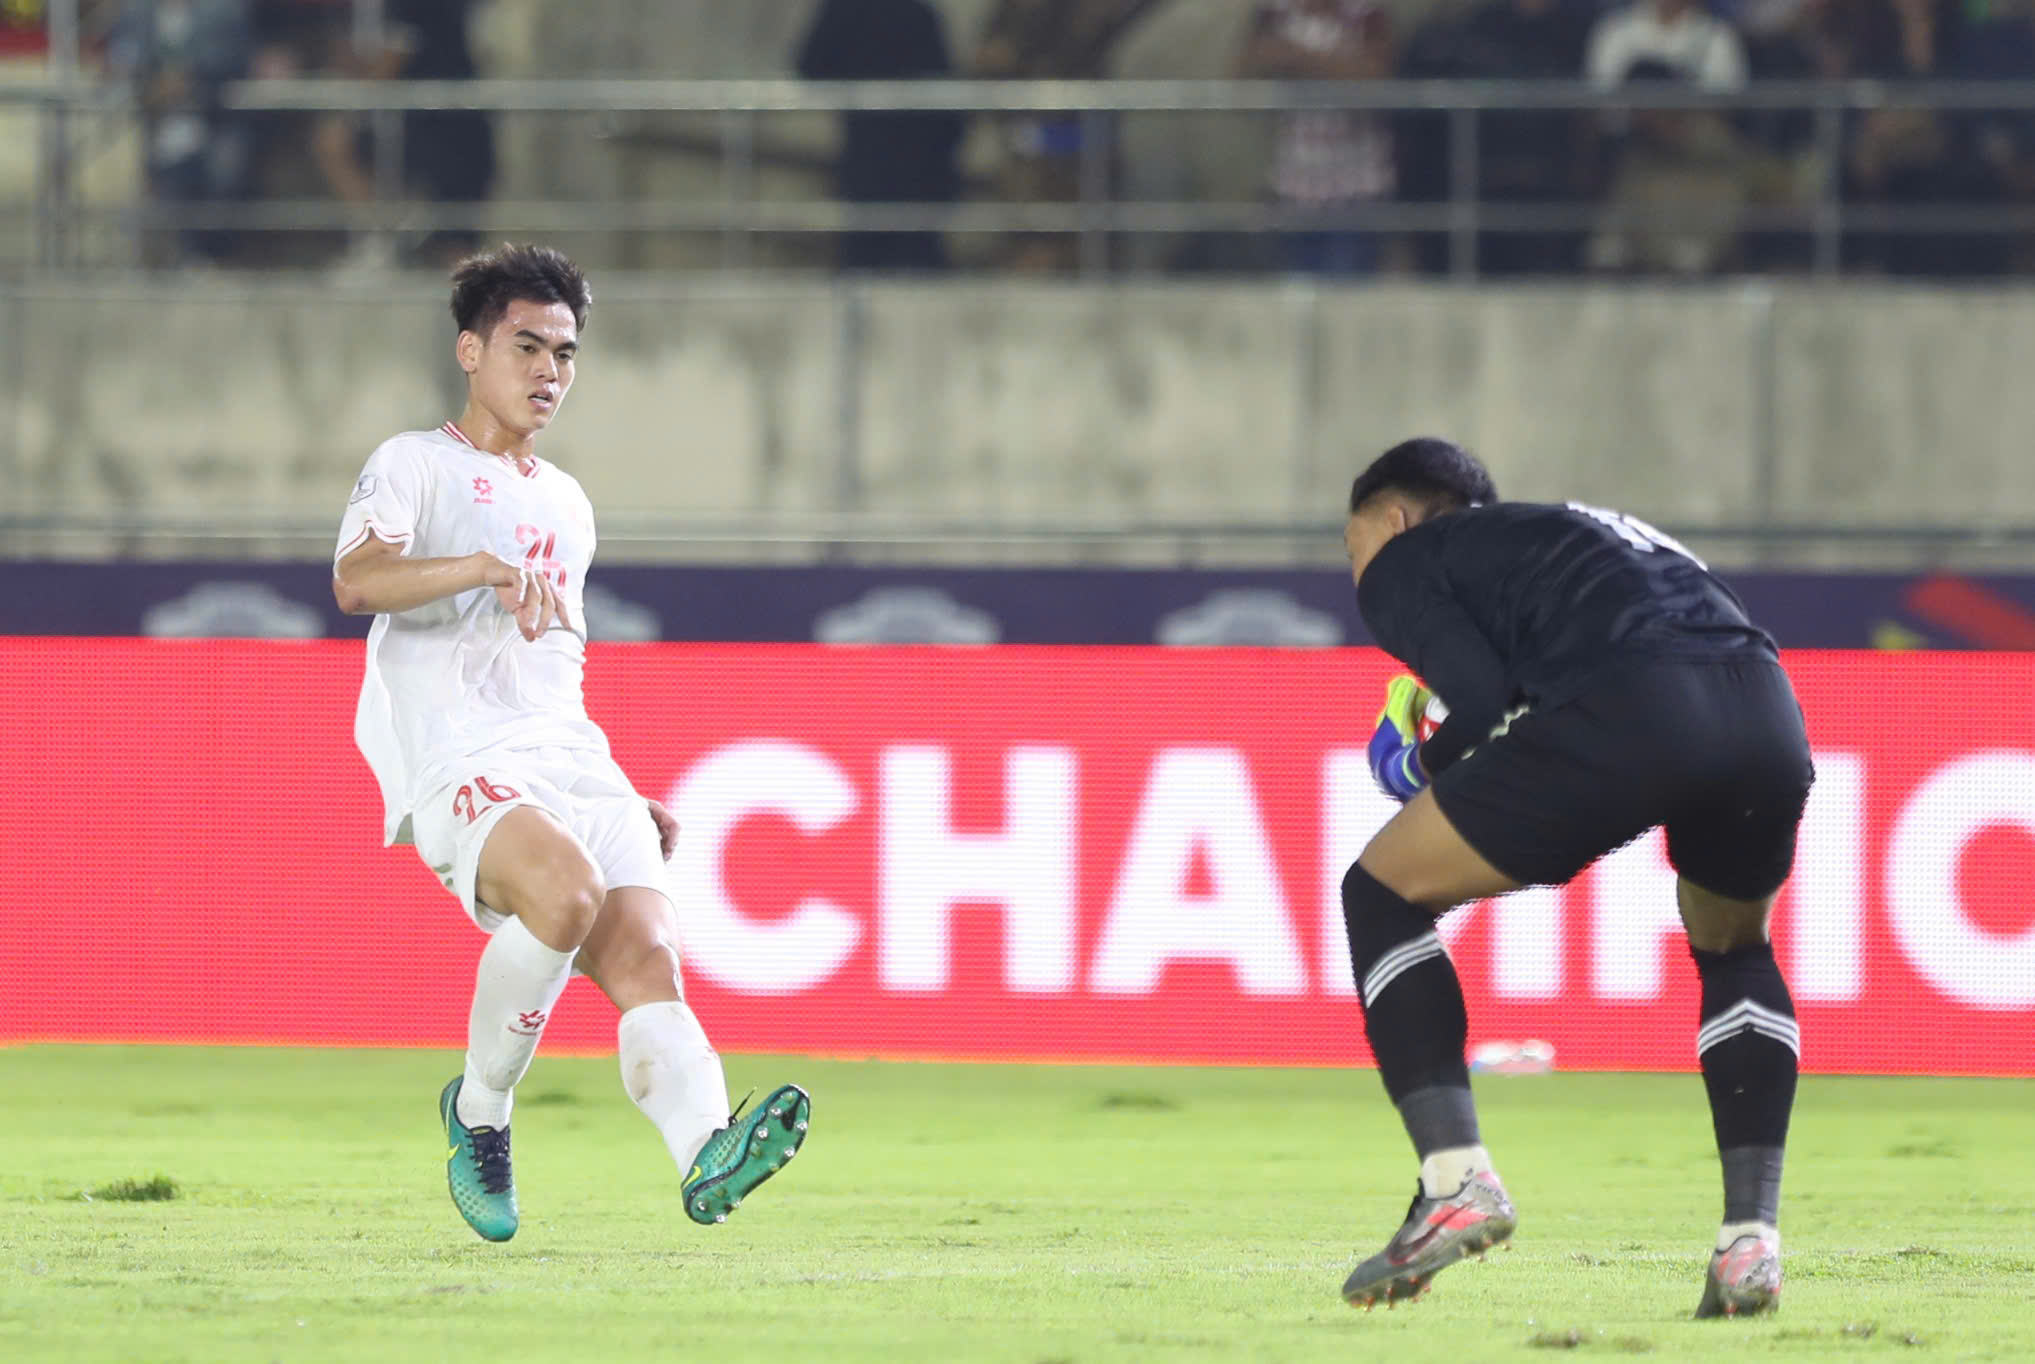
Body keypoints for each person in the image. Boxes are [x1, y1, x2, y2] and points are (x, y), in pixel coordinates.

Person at [331, 244, 810, 1243]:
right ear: (470, 349)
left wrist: (614, 783)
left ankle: (705, 1149)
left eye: (566, 351)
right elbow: (358, 580)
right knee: (567, 892)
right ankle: (480, 1113)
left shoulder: (568, 501)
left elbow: (555, 664)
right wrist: (478, 565)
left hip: (563, 750)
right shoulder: (412, 462)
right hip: (457, 753)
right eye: (526, 345)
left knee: (647, 955)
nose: (549, 369)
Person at [1336, 438, 1813, 1317]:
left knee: (1380, 890)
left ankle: (1454, 1180)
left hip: (1635, 704)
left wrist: (1415, 766)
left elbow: (1477, 703)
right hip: (1765, 711)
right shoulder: (1591, 535)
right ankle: (1750, 1242)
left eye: (1351, 542)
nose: (1356, 566)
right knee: (1736, 950)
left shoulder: (1405, 559)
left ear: (1394, 518)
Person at [794, 0, 966, 273]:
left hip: (868, 153)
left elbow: (809, 65)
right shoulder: (920, 13)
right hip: (921, 162)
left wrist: (850, 85)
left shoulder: (843, 9)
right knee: (917, 257)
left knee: (863, 257)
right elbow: (945, 91)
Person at [1237, 0, 1402, 277]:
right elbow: (1245, 72)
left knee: (1348, 300)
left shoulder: (1365, 12)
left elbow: (1377, 82)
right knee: (1295, 297)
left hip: (1356, 188)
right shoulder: (1275, 11)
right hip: (1294, 184)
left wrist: (1298, 57)